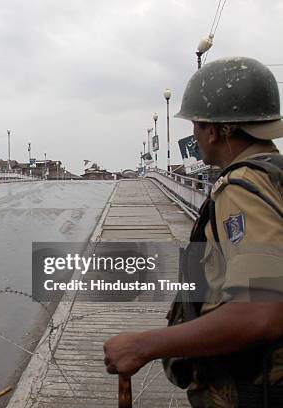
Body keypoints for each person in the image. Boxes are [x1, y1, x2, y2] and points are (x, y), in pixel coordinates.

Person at [104, 57, 283, 406]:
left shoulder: (243, 187)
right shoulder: (275, 174)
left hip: (254, 390)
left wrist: (142, 346)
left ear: (215, 130)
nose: (195, 136)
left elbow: (260, 312)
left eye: (196, 126)